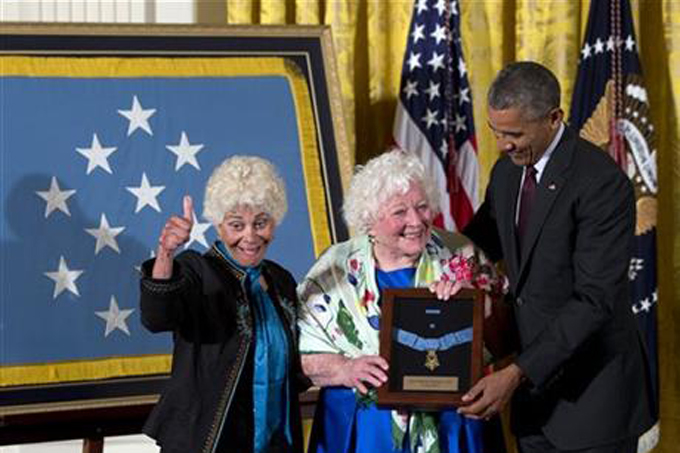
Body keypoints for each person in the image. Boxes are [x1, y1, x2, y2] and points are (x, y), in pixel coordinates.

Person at [460, 61, 656, 453]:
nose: (503, 145)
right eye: (496, 132)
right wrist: (407, 236)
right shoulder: (506, 173)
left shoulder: (600, 183)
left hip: (594, 403)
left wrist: (516, 373)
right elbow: (476, 244)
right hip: (536, 405)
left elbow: (593, 301)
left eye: (514, 133)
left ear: (553, 118)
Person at [297, 149, 505, 453]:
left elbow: (506, 335)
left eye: (422, 207)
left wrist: (475, 304)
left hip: (452, 425)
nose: (417, 221)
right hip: (365, 431)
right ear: (369, 219)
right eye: (399, 212)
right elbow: (300, 356)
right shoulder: (335, 269)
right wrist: (345, 368)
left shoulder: (461, 253)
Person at [139, 156, 307, 453]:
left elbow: (294, 367)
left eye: (261, 223)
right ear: (218, 224)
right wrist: (166, 253)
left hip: (276, 443)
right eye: (236, 225)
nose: (250, 236)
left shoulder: (281, 281)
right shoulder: (196, 270)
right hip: (207, 443)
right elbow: (157, 317)